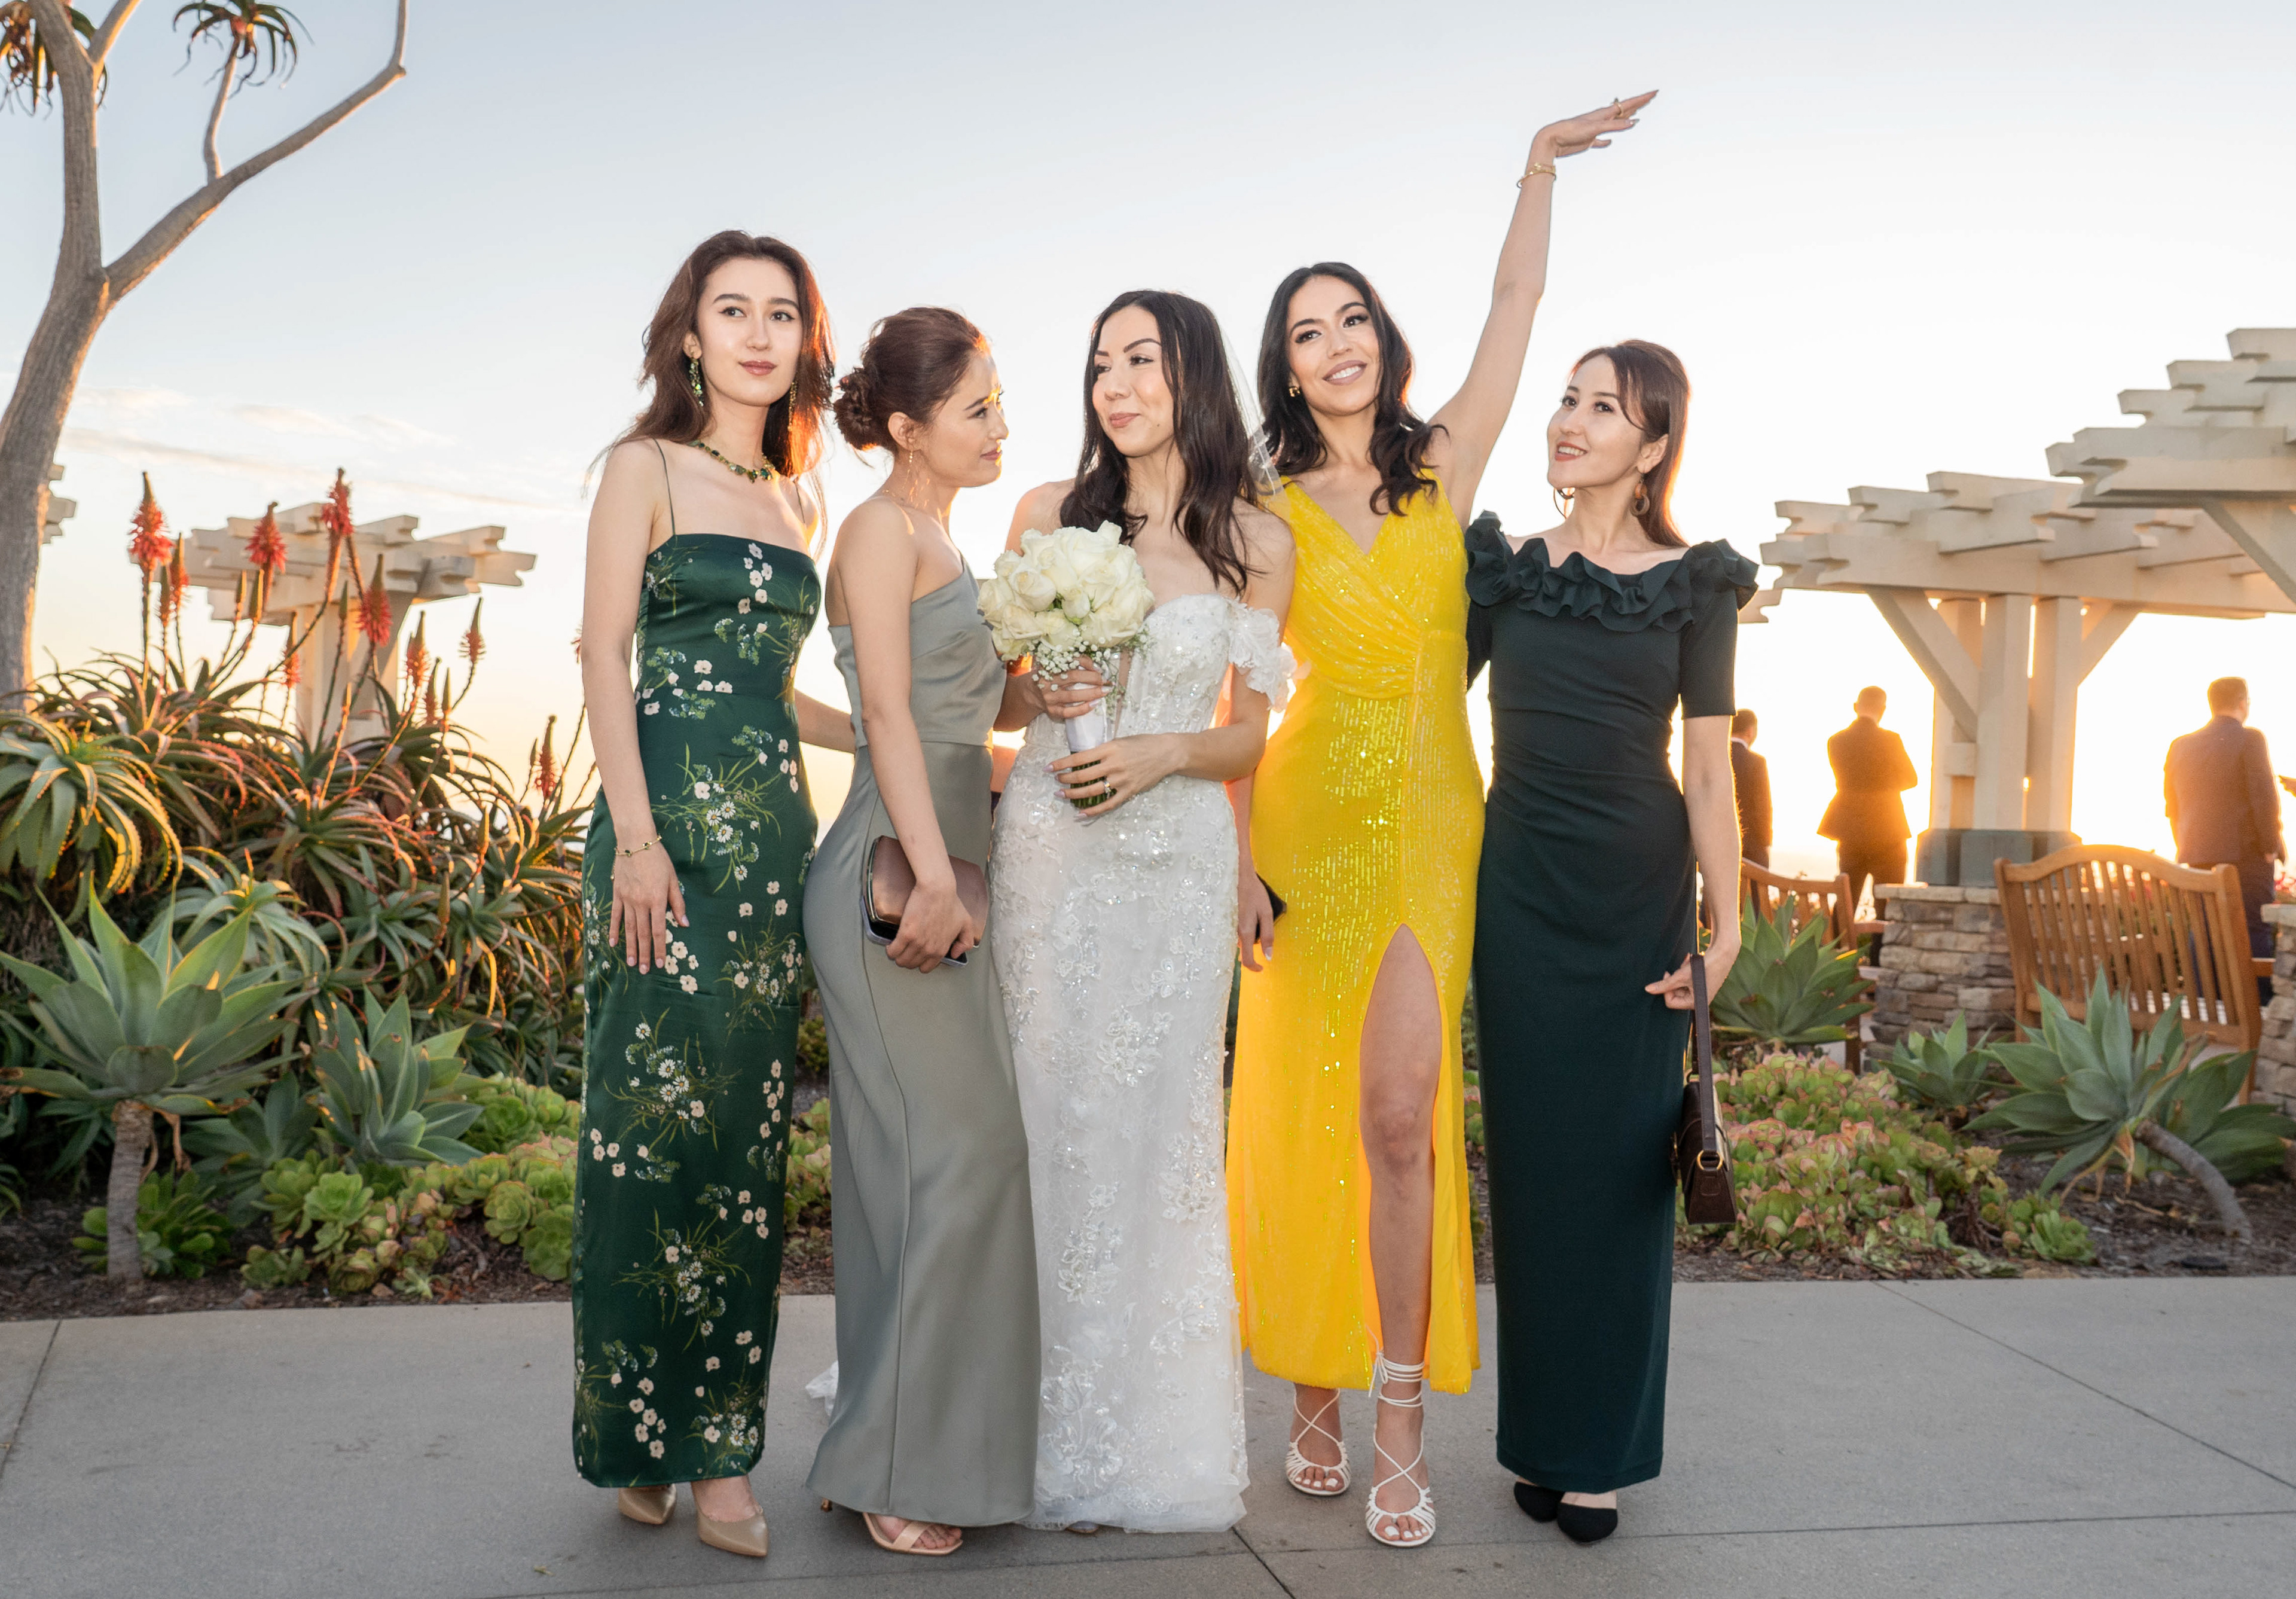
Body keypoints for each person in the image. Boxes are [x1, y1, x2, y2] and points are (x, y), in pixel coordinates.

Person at [1228, 93, 1655, 1550]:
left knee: (1402, 1121)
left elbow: (1515, 304)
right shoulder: (1262, 506)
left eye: (1351, 318)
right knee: (1305, 1114)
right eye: (1307, 331)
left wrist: (1537, 169)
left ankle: (1399, 1409)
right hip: (1302, 822)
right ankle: (1311, 1380)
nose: (1336, 343)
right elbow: (1239, 692)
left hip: (1428, 825)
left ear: (1381, 338)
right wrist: (1237, 861)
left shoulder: (1445, 465)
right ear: (1285, 366)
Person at [991, 289, 1294, 1533]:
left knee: (1158, 1131)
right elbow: (997, 701)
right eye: (1101, 363)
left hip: (1173, 864)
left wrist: (1167, 752)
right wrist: (1040, 686)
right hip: (1051, 847)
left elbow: (1245, 737)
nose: (1115, 385)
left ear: (1195, 377)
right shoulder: (1046, 515)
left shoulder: (1256, 538)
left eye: (1143, 361)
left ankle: (1137, 1431)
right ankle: (1008, 1422)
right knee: (1043, 1120)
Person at [572, 231, 856, 1559]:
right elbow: (603, 651)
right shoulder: (644, 465)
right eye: (730, 310)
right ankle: (645, 1439)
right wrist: (636, 839)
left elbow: (775, 691)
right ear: (690, 335)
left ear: (805, 339)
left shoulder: (799, 498)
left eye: (780, 313)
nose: (756, 333)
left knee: (742, 1150)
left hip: (767, 849)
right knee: (644, 1143)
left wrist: (892, 734)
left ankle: (720, 1451)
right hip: (661, 841)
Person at [1465, 340, 1752, 1545]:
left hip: (1637, 896)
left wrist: (1726, 926)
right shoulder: (1501, 568)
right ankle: (1542, 1434)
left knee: (1625, 1176)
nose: (1570, 420)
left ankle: (1601, 1456)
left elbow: (1710, 766)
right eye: (1568, 398)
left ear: (1654, 444)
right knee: (1536, 1174)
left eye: (1604, 407)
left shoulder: (1697, 582)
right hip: (1517, 891)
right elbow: (1419, 709)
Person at [803, 308, 1052, 1557]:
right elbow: (891, 717)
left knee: (924, 1169)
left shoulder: (946, 539)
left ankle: (901, 1449)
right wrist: (938, 876)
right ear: (907, 427)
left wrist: (1045, 678)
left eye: (1000, 402)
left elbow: (982, 709)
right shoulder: (877, 530)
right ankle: (894, 1462)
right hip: (895, 874)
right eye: (976, 407)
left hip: (958, 857)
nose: (1000, 426)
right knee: (959, 1156)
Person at [2166, 676, 2285, 964]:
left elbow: (2173, 807)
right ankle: (2254, 995)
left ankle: (2205, 993)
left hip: (2198, 857)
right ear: (2243, 703)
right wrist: (2270, 847)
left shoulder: (2180, 745)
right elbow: (2264, 797)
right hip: (2246, 857)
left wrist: (2187, 846)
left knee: (2203, 931)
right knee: (2253, 927)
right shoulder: (2250, 738)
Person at [1818, 686, 1917, 910]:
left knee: (1847, 901)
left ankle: (1842, 935)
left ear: (1856, 707)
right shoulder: (1891, 740)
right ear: (1883, 710)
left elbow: (1845, 778)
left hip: (1850, 829)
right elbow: (1911, 779)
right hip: (1888, 830)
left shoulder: (1836, 741)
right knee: (1888, 906)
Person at [1731, 709, 1771, 868]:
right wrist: (1766, 843)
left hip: (1716, 841)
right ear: (1750, 731)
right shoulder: (1756, 762)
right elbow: (1763, 807)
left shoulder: (1716, 758)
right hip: (1751, 845)